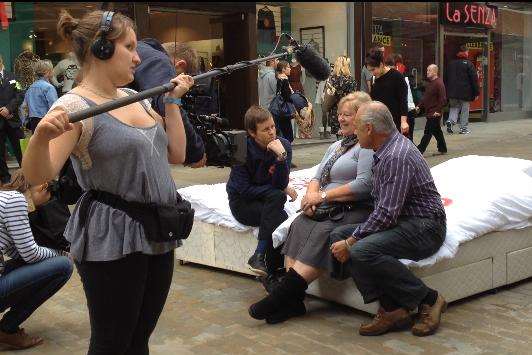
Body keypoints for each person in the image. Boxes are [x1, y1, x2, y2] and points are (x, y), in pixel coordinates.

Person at [22, 9, 194, 354]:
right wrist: (41, 138)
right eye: (129, 47)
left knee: (138, 340)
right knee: (112, 343)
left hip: (158, 231)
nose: (138, 57)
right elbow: (38, 176)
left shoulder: (134, 97)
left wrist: (172, 103)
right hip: (112, 237)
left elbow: (176, 153)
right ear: (101, 49)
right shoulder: (74, 105)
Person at [248, 92, 374, 324]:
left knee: (323, 232)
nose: (341, 119)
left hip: (352, 207)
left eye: (347, 115)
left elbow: (364, 185)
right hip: (325, 204)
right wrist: (310, 196)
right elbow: (317, 175)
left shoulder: (365, 146)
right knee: (298, 224)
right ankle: (294, 302)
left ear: (361, 117)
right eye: (339, 114)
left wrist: (323, 195)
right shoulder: (337, 145)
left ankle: (280, 297)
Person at [329, 101, 447, 337]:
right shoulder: (383, 150)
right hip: (403, 221)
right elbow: (383, 207)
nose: (354, 131)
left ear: (370, 129)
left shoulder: (396, 156)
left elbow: (386, 214)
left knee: (359, 249)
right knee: (337, 234)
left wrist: (352, 241)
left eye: (358, 127)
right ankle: (392, 309)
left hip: (426, 226)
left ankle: (430, 299)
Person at [226, 106, 296, 280]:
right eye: (266, 129)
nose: (272, 132)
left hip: (267, 201)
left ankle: (262, 264)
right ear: (252, 133)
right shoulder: (242, 149)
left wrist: (281, 158)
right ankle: (268, 270)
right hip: (242, 203)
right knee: (278, 203)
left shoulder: (283, 146)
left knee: (281, 220)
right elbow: (244, 190)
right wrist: (279, 189)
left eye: (273, 127)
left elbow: (280, 183)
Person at [0, 185, 73, 350]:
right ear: (42, 186)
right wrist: (61, 254)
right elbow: (30, 254)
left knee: (37, 264)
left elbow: (15, 251)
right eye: (50, 194)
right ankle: (7, 329)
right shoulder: (15, 200)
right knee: (63, 266)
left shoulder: (4, 198)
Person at [133, 38, 206, 168]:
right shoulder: (159, 61)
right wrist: (196, 152)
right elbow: (165, 102)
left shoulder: (145, 52)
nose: (135, 59)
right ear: (180, 65)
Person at [366, 48, 409, 136]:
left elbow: (403, 101)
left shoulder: (397, 76)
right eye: (369, 70)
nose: (372, 73)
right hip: (379, 122)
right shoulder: (374, 79)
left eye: (373, 69)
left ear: (381, 64)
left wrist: (403, 122)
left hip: (395, 121)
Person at [0, 54, 24, 184]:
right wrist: (1, 111)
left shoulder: (13, 77)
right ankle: (5, 178)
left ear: (1, 60)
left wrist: (9, 109)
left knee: (20, 149)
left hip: (12, 120)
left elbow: (20, 94)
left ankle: (26, 174)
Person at [445, 45, 479, 135]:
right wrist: (476, 92)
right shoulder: (469, 64)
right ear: (465, 52)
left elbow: (446, 78)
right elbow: (474, 79)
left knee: (454, 107)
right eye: (467, 52)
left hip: (452, 92)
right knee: (464, 110)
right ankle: (463, 128)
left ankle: (450, 121)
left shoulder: (451, 64)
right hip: (465, 92)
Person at [416, 65, 447, 155]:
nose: (427, 72)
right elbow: (426, 97)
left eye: (429, 70)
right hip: (430, 111)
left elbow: (443, 99)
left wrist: (438, 111)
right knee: (437, 131)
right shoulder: (430, 83)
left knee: (428, 131)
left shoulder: (439, 83)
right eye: (427, 70)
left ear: (435, 72)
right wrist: (419, 106)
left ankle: (420, 150)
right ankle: (443, 148)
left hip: (434, 113)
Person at [385, 54, 416, 141]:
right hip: (408, 109)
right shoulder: (405, 75)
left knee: (406, 138)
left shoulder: (402, 76)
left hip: (406, 110)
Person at [22, 60, 58, 133]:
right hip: (46, 121)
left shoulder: (30, 87)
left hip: (33, 122)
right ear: (47, 71)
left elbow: (24, 107)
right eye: (52, 69)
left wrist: (25, 122)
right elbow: (54, 107)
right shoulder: (49, 87)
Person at [327, 56, 357, 138]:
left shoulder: (332, 79)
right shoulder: (350, 80)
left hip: (335, 112)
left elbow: (328, 95)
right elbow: (353, 97)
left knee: (338, 137)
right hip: (348, 111)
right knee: (348, 136)